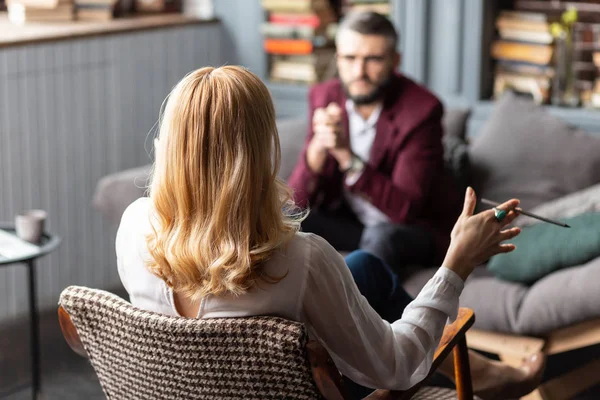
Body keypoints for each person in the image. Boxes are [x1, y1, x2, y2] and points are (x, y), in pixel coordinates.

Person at [116, 66, 544, 400]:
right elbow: (397, 367)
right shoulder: (300, 261)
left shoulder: (134, 226)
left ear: (170, 145)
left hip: (193, 387)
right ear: (262, 152)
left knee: (364, 266)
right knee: (362, 278)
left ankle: (486, 372)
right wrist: (456, 264)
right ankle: (481, 372)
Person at [288, 11, 462, 272]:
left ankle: (348, 312)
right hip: (352, 225)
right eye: (349, 58)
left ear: (395, 60)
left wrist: (346, 155)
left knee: (382, 237)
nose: (359, 72)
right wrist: (318, 148)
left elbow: (404, 210)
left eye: (373, 60)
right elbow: (297, 201)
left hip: (410, 230)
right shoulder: (324, 96)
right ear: (338, 58)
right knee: (283, 219)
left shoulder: (421, 110)